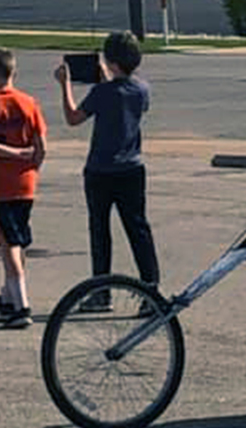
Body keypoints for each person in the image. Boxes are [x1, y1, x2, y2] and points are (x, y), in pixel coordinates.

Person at [55, 32, 160, 312]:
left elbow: (73, 117)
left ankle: (101, 293)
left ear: (111, 62)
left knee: (100, 231)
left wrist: (65, 85)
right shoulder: (142, 90)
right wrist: (108, 78)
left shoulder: (101, 93)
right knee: (138, 229)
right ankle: (151, 288)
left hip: (101, 170)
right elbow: (123, 102)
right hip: (132, 168)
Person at [0, 48, 48, 329]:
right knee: (18, 239)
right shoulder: (28, 103)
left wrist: (16, 155)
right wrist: (32, 165)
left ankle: (22, 305)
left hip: (0, 184)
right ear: (14, 72)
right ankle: (8, 294)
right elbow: (41, 145)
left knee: (8, 243)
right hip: (25, 183)